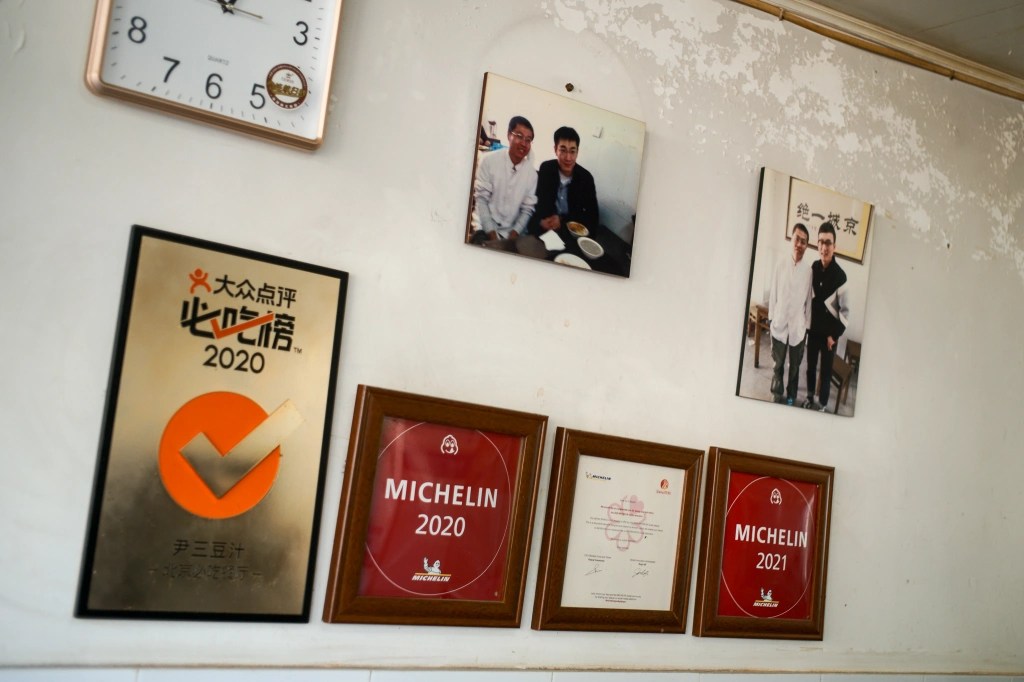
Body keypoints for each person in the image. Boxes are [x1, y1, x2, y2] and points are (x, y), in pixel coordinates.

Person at [803, 222, 849, 411]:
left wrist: (834, 335)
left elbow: (845, 312)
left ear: (834, 246)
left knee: (826, 372)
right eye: (821, 242)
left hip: (830, 336)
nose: (824, 247)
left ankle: (822, 404)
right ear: (817, 244)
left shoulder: (841, 276)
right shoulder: (813, 268)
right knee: (810, 367)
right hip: (813, 331)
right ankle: (809, 397)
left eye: (828, 242)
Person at [471, 116, 538, 244]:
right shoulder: (488, 160)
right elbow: (481, 200)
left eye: (528, 140)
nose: (523, 143)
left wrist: (513, 235)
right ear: (509, 135)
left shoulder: (532, 175)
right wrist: (492, 235)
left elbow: (527, 210)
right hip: (484, 228)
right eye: (519, 136)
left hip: (511, 233)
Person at [767, 223, 812, 406]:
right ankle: (776, 392)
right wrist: (771, 318)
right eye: (797, 239)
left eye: (803, 241)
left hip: (797, 329)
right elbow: (773, 293)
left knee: (794, 367)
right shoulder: (781, 264)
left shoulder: (808, 271)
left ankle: (791, 395)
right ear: (791, 239)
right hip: (779, 323)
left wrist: (806, 327)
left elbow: (808, 301)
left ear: (806, 246)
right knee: (777, 364)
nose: (799, 244)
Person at [529, 126, 599, 235]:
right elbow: (537, 203)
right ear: (555, 150)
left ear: (577, 152)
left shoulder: (586, 178)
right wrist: (540, 221)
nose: (568, 157)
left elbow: (593, 217)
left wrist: (561, 220)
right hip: (545, 231)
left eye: (572, 151)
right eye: (563, 150)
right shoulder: (546, 169)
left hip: (571, 233)